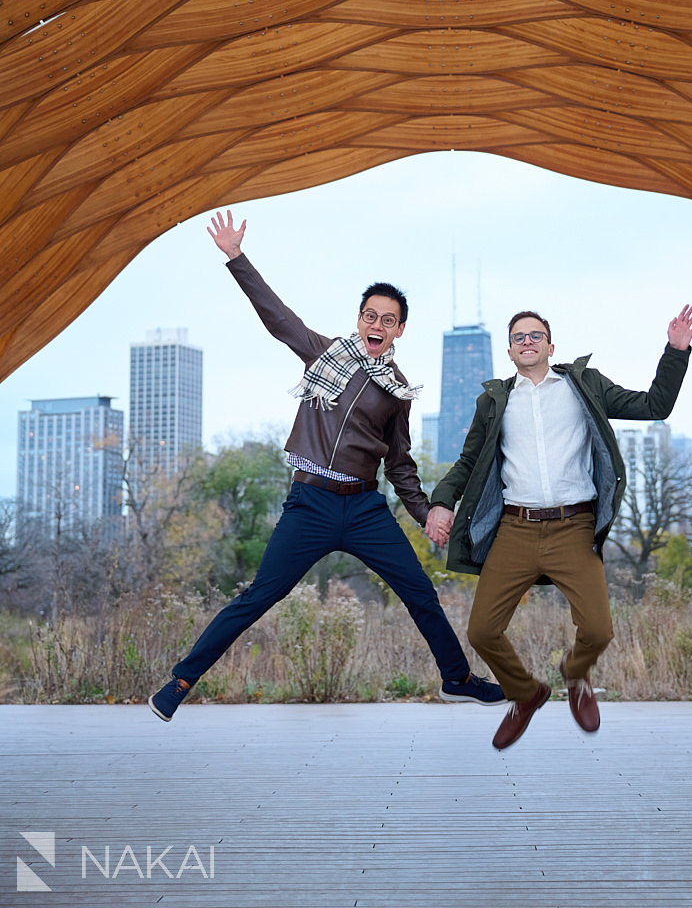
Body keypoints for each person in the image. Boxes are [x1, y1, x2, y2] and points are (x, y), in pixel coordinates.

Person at [148, 211, 504, 721]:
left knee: (420, 593)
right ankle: (181, 681)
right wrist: (236, 258)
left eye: (388, 319)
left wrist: (425, 513)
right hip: (310, 504)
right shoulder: (322, 354)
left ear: (400, 329)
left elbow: (401, 463)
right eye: (370, 315)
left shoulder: (397, 392)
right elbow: (277, 315)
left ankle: (457, 678)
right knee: (258, 597)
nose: (377, 325)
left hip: (363, 509)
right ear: (359, 319)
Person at [429, 304, 692, 749]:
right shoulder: (494, 401)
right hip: (515, 529)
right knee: (481, 631)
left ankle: (575, 675)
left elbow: (655, 406)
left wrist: (676, 351)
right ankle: (525, 692)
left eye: (536, 335)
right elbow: (468, 462)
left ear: (551, 347)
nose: (528, 342)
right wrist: (442, 502)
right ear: (511, 352)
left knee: (598, 630)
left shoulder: (583, 385)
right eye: (520, 337)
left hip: (573, 527)